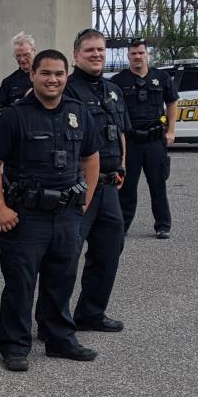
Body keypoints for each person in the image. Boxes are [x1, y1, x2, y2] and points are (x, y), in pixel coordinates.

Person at [0, 48, 100, 372]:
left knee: (61, 279)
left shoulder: (78, 112)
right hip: (26, 216)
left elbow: (90, 157)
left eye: (59, 74)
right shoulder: (15, 116)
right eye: (46, 73)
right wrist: (0, 207)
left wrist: (86, 200)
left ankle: (59, 338)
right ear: (32, 75)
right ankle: (15, 346)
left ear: (66, 76)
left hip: (66, 215)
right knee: (20, 284)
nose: (53, 79)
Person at [40, 28, 130, 335]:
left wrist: (123, 168)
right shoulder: (68, 89)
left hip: (109, 186)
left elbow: (119, 133)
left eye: (101, 50)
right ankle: (53, 322)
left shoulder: (114, 90)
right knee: (65, 257)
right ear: (76, 55)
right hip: (78, 187)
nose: (96, 55)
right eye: (89, 50)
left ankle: (91, 313)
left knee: (108, 251)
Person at [110, 38, 179, 239]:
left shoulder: (162, 77)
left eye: (141, 53)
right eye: (133, 53)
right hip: (131, 141)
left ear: (147, 54)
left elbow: (173, 103)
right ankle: (122, 226)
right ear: (128, 55)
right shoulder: (118, 81)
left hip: (155, 140)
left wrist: (171, 131)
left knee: (158, 184)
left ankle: (163, 225)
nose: (137, 57)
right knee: (127, 187)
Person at [0, 33, 36, 114]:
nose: (22, 60)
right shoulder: (8, 82)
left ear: (34, 50)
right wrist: (18, 105)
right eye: (18, 56)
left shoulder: (46, 77)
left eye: (26, 55)